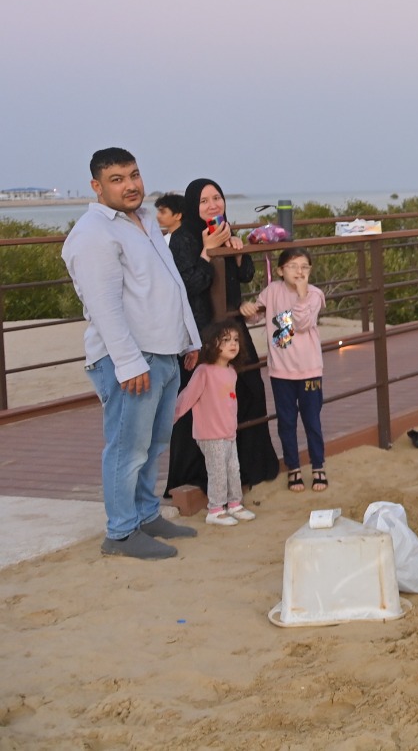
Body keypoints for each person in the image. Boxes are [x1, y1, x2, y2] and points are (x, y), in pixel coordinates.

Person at [60, 148, 201, 560]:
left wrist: (189, 338)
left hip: (163, 350)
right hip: (130, 359)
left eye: (134, 175)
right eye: (117, 178)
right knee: (127, 448)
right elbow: (104, 306)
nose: (130, 184)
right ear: (97, 186)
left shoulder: (145, 221)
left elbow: (171, 281)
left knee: (154, 443)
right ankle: (120, 533)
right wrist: (127, 363)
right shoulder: (93, 234)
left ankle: (145, 514)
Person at [165, 178, 280, 494]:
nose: (213, 205)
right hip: (201, 332)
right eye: (204, 201)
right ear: (192, 206)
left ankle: (249, 467)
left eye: (217, 198)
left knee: (250, 390)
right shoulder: (183, 239)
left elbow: (244, 276)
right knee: (201, 403)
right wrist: (208, 251)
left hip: (232, 326)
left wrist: (238, 253)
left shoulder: (225, 229)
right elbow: (191, 285)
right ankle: (195, 477)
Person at [242, 247, 328, 493]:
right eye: (292, 266)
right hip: (281, 372)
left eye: (304, 266)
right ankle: (293, 467)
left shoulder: (314, 295)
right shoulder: (272, 292)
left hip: (309, 370)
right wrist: (246, 308)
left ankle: (318, 465)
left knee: (312, 420)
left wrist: (301, 296)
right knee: (286, 422)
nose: (299, 271)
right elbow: (255, 317)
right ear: (280, 270)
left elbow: (301, 324)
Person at [173, 322, 258, 526]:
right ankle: (216, 509)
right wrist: (170, 418)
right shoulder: (203, 371)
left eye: (236, 340)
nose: (233, 344)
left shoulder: (231, 372)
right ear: (212, 344)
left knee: (232, 468)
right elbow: (188, 397)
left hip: (228, 433)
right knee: (218, 471)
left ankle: (235, 503)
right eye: (226, 340)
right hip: (210, 434)